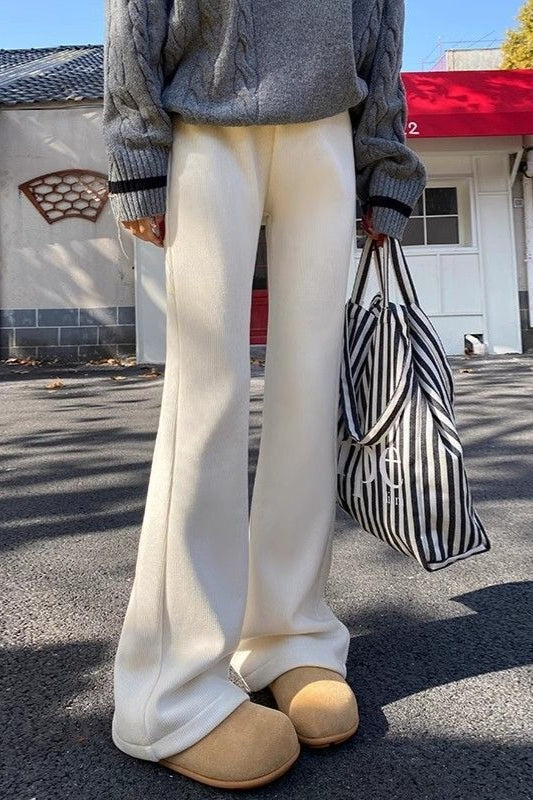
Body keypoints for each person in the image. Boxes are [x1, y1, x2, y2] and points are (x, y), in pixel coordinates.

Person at [102, 0, 426, 790]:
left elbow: (380, 21)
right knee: (204, 401)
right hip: (204, 118)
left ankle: (290, 636)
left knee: (310, 398)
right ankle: (168, 691)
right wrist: (137, 144)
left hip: (328, 126)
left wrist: (383, 159)